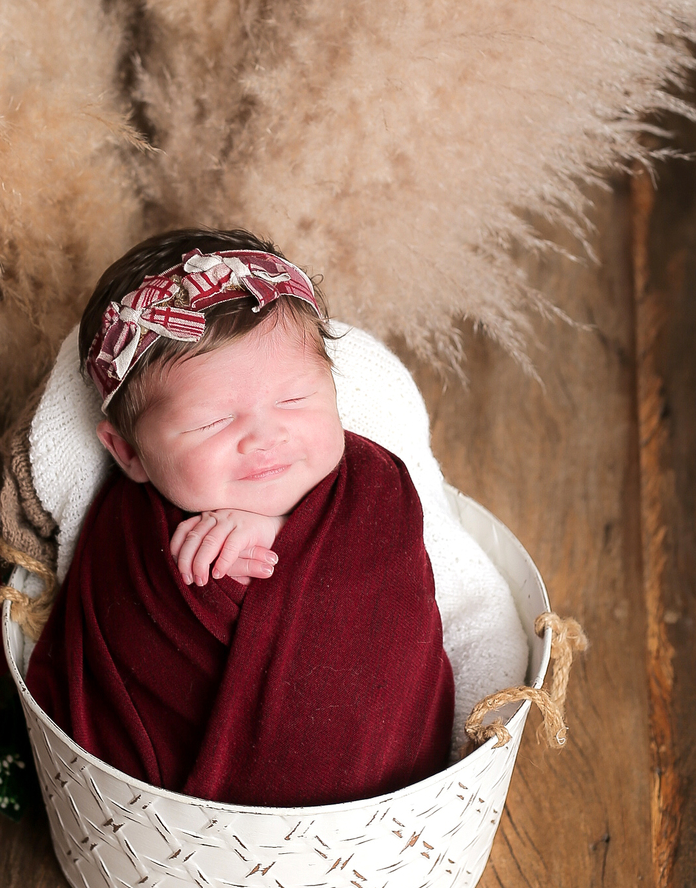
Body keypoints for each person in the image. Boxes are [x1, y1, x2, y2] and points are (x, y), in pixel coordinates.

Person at [25, 228, 480, 807]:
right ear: (129, 453)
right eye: (211, 422)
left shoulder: (375, 490)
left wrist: (279, 539)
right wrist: (211, 571)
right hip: (177, 825)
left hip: (391, 800)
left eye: (294, 399)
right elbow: (116, 672)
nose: (264, 438)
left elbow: (392, 613)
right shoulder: (130, 538)